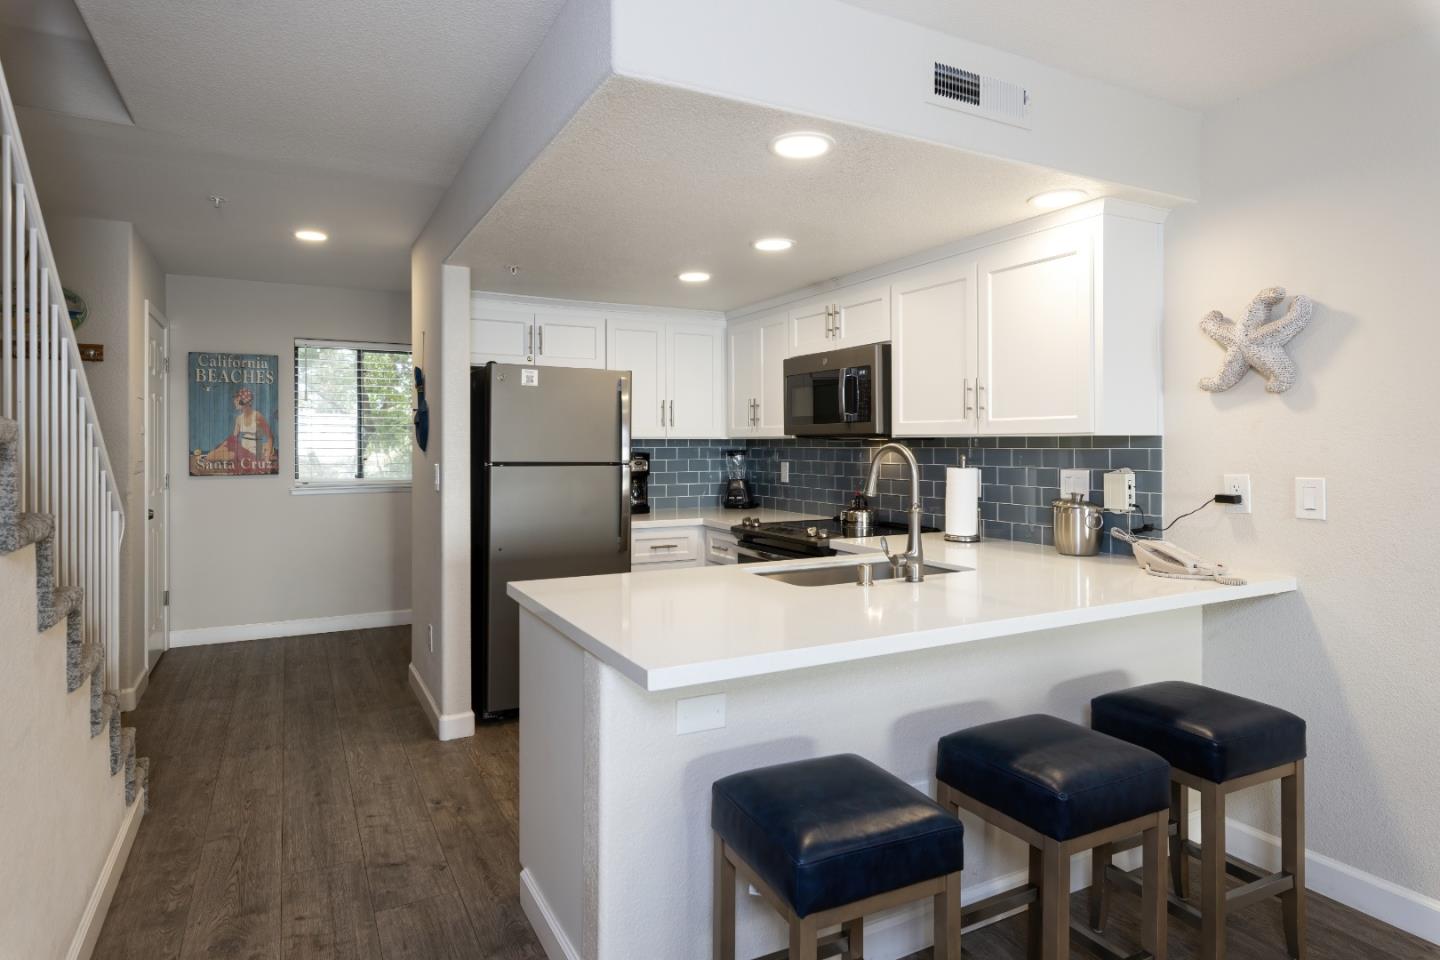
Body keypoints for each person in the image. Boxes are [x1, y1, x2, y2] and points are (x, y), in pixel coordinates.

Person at [202, 387, 275, 474]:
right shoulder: (239, 419)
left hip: (254, 450)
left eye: (237, 400)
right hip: (242, 447)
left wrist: (267, 457)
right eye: (235, 400)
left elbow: (270, 437)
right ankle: (206, 458)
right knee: (212, 455)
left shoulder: (257, 415)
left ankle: (208, 459)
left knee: (227, 456)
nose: (234, 402)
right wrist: (222, 446)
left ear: (244, 402)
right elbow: (233, 438)